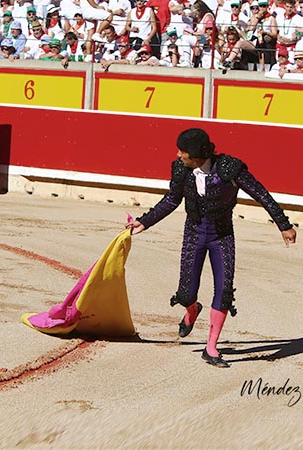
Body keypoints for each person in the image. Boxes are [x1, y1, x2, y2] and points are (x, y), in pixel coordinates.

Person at [127, 128, 297, 368]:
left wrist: (283, 225)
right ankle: (192, 309)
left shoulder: (229, 169)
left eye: (182, 152)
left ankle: (211, 347)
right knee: (186, 293)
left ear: (196, 156)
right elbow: (172, 199)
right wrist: (145, 221)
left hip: (222, 235)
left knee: (224, 290)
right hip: (194, 234)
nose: (178, 155)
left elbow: (261, 194)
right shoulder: (181, 170)